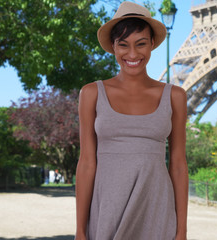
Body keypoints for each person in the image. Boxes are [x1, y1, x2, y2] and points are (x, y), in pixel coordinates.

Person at [75, 2, 188, 240]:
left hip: (156, 209)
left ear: (152, 44)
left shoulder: (175, 96)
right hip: (107, 210)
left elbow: (178, 165)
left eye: (141, 44)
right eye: (123, 45)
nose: (133, 54)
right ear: (113, 47)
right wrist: (80, 231)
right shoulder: (91, 94)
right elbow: (86, 163)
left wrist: (181, 231)